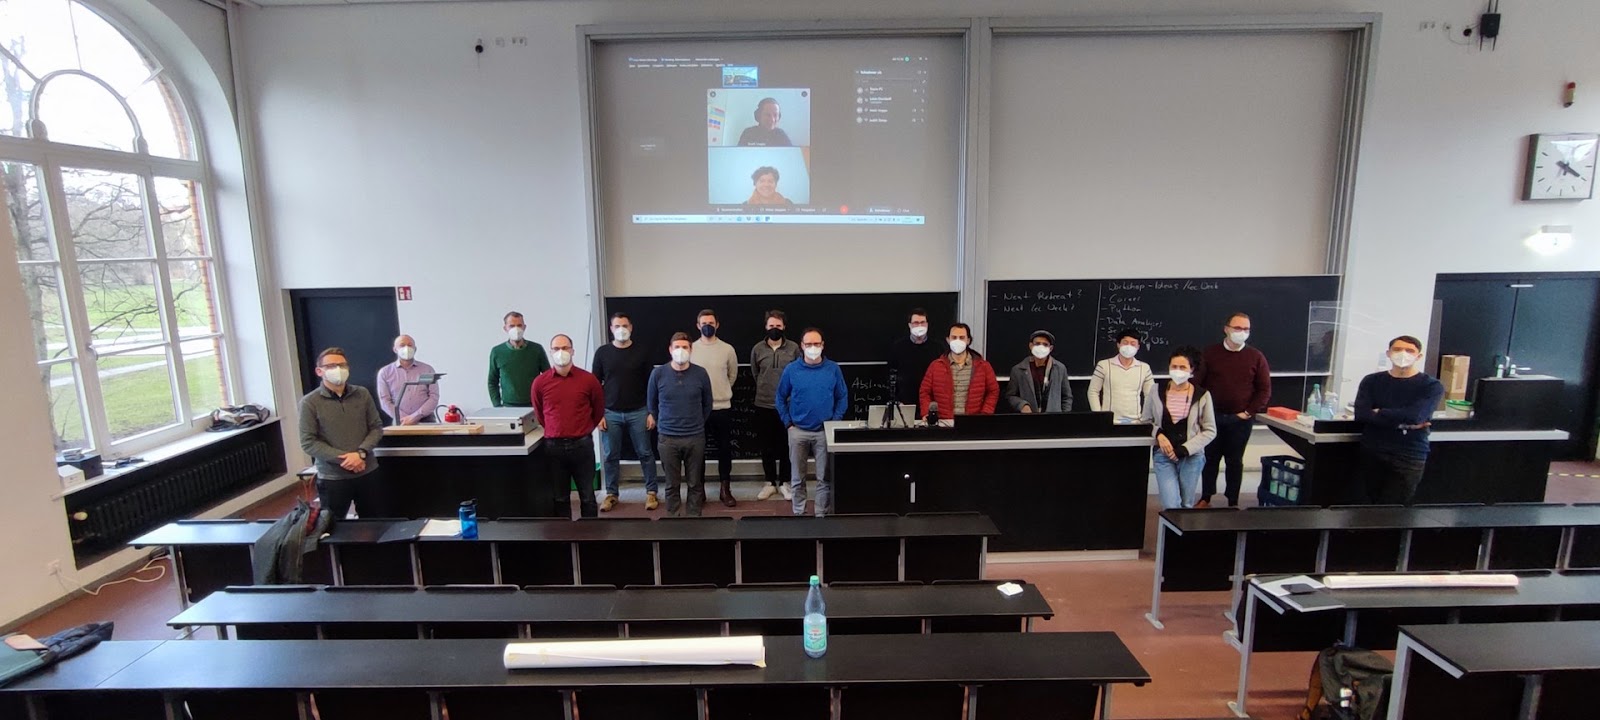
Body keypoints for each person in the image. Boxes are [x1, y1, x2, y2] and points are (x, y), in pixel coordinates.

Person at [1353, 336, 1445, 505]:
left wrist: (1380, 412)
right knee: (1370, 503)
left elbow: (1416, 416)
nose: (1403, 354)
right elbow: (1362, 414)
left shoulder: (1431, 386)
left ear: (1418, 356)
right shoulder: (1371, 381)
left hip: (1409, 453)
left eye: (1409, 351)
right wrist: (1404, 421)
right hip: (1373, 449)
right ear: (1388, 353)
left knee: (1396, 506)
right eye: (1397, 349)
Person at [298, 347, 384, 524]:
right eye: (331, 366)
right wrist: (346, 459)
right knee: (332, 527)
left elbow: (376, 427)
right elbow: (308, 442)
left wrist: (360, 454)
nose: (338, 369)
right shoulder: (310, 402)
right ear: (319, 371)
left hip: (367, 472)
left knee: (374, 524)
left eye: (342, 365)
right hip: (333, 478)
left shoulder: (362, 394)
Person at [1194, 312, 1271, 507]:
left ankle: (1232, 500)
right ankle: (1206, 497)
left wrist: (1247, 413)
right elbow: (1197, 384)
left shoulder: (1256, 357)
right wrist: (1202, 412)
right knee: (1209, 459)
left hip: (1241, 420)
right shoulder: (1209, 354)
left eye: (1246, 329)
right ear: (1226, 329)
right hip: (1212, 418)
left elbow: (1264, 390)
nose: (1241, 332)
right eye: (1237, 328)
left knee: (1235, 461)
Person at [776, 328, 848, 516]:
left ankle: (820, 514)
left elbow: (842, 397)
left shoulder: (833, 369)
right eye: (808, 344)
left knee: (824, 477)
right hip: (797, 431)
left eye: (816, 344)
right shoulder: (792, 370)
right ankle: (799, 512)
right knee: (797, 478)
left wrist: (834, 422)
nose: (813, 348)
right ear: (801, 346)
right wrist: (788, 423)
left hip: (824, 431)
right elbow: (780, 397)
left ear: (823, 345)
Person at [531, 334, 605, 518]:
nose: (561, 352)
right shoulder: (540, 383)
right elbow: (540, 413)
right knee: (560, 498)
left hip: (582, 445)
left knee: (587, 496)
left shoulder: (589, 380)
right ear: (550, 352)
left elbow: (598, 411)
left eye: (565, 348)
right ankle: (563, 533)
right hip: (553, 447)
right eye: (556, 349)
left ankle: (591, 533)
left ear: (572, 351)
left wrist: (583, 429)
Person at [592, 312, 660, 512]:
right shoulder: (602, 353)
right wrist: (598, 415)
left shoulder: (642, 351)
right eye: (617, 326)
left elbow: (652, 385)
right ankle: (611, 494)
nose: (621, 329)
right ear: (611, 329)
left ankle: (651, 492)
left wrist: (652, 412)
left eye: (624, 325)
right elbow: (594, 385)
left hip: (639, 411)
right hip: (610, 412)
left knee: (645, 453)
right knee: (610, 455)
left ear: (631, 328)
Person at [1140, 346, 1217, 510]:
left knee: (1186, 504)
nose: (1178, 371)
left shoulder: (1202, 395)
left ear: (1192, 369)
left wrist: (1185, 449)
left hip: (1191, 457)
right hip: (1163, 455)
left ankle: (1182, 528)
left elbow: (1210, 430)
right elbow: (1145, 421)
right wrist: (1159, 434)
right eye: (1174, 366)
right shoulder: (1156, 390)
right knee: (1171, 504)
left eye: (1183, 367)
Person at [649, 333, 713, 517]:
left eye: (685, 347)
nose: (681, 350)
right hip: (667, 439)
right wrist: (664, 424)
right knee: (671, 484)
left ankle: (694, 519)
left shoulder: (701, 373)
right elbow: (652, 404)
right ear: (670, 349)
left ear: (691, 350)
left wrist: (696, 422)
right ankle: (673, 521)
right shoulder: (658, 374)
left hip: (695, 437)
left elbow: (707, 403)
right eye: (677, 347)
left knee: (695, 483)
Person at [690, 308, 741, 507]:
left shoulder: (727, 349)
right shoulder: (691, 349)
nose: (707, 326)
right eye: (704, 323)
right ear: (698, 325)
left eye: (711, 323)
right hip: (697, 409)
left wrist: (721, 390)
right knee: (698, 451)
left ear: (717, 325)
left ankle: (725, 489)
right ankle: (699, 490)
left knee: (725, 449)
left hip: (722, 406)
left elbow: (732, 375)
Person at [751, 310, 800, 501]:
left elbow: (798, 373)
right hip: (763, 404)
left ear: (784, 327)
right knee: (767, 446)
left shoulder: (794, 348)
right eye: (771, 325)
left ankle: (785, 482)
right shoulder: (757, 349)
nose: (774, 329)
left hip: (787, 406)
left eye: (778, 326)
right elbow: (756, 373)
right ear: (766, 326)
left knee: (787, 446)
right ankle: (770, 482)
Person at [919, 323, 1000, 417]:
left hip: (973, 422)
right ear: (948, 340)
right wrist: (927, 413)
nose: (957, 341)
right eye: (954, 337)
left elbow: (993, 391)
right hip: (943, 422)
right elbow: (924, 392)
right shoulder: (935, 366)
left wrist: (985, 414)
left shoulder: (983, 366)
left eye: (962, 338)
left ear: (968, 340)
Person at [1088, 327, 1156, 421]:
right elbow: (1093, 391)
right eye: (1125, 342)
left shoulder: (1144, 368)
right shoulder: (1104, 365)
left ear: (1138, 347)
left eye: (1133, 344)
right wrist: (1099, 416)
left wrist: (1145, 418)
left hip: (1135, 421)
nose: (1129, 346)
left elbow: (1150, 395)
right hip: (1110, 421)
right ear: (1118, 344)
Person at [487, 311, 550, 407]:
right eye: (512, 326)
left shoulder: (537, 349)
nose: (516, 329)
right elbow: (492, 382)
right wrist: (497, 406)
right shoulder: (497, 352)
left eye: (519, 325)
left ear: (524, 327)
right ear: (505, 328)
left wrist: (545, 403)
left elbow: (548, 378)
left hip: (534, 405)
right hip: (508, 406)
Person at [888, 308, 943, 417]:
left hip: (931, 403)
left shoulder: (938, 348)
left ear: (927, 324)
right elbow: (891, 375)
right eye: (916, 323)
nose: (919, 326)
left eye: (922, 322)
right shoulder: (898, 347)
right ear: (909, 325)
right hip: (905, 404)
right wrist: (897, 400)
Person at [375, 334, 440, 425]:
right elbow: (385, 401)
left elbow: (433, 396)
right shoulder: (385, 372)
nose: (406, 348)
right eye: (402, 345)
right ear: (395, 349)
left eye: (410, 345)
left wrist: (415, 416)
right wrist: (404, 418)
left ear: (415, 349)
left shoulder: (427, 370)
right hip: (400, 421)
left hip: (426, 419)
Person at [1006, 330, 1074, 413]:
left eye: (1045, 344)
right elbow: (1011, 396)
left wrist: (1064, 415)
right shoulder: (1018, 370)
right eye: (1037, 344)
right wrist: (1022, 405)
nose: (1041, 347)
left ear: (1050, 348)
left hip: (1054, 418)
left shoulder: (1060, 369)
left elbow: (1067, 397)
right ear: (1031, 346)